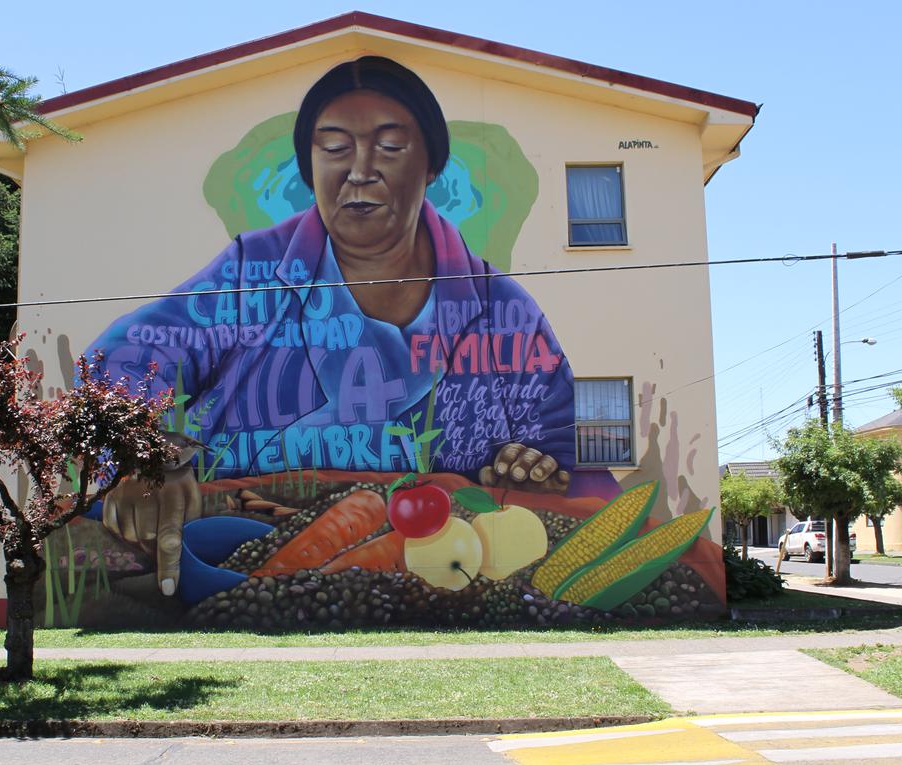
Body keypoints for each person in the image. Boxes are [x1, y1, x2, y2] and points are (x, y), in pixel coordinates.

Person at [88, 56, 576, 596]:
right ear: (309, 166)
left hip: (439, 565)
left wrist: (531, 470)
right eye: (335, 147)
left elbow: (550, 447)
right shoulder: (254, 273)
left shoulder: (500, 309)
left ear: (432, 164)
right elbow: (126, 358)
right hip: (225, 541)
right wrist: (150, 456)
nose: (360, 169)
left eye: (390, 146)